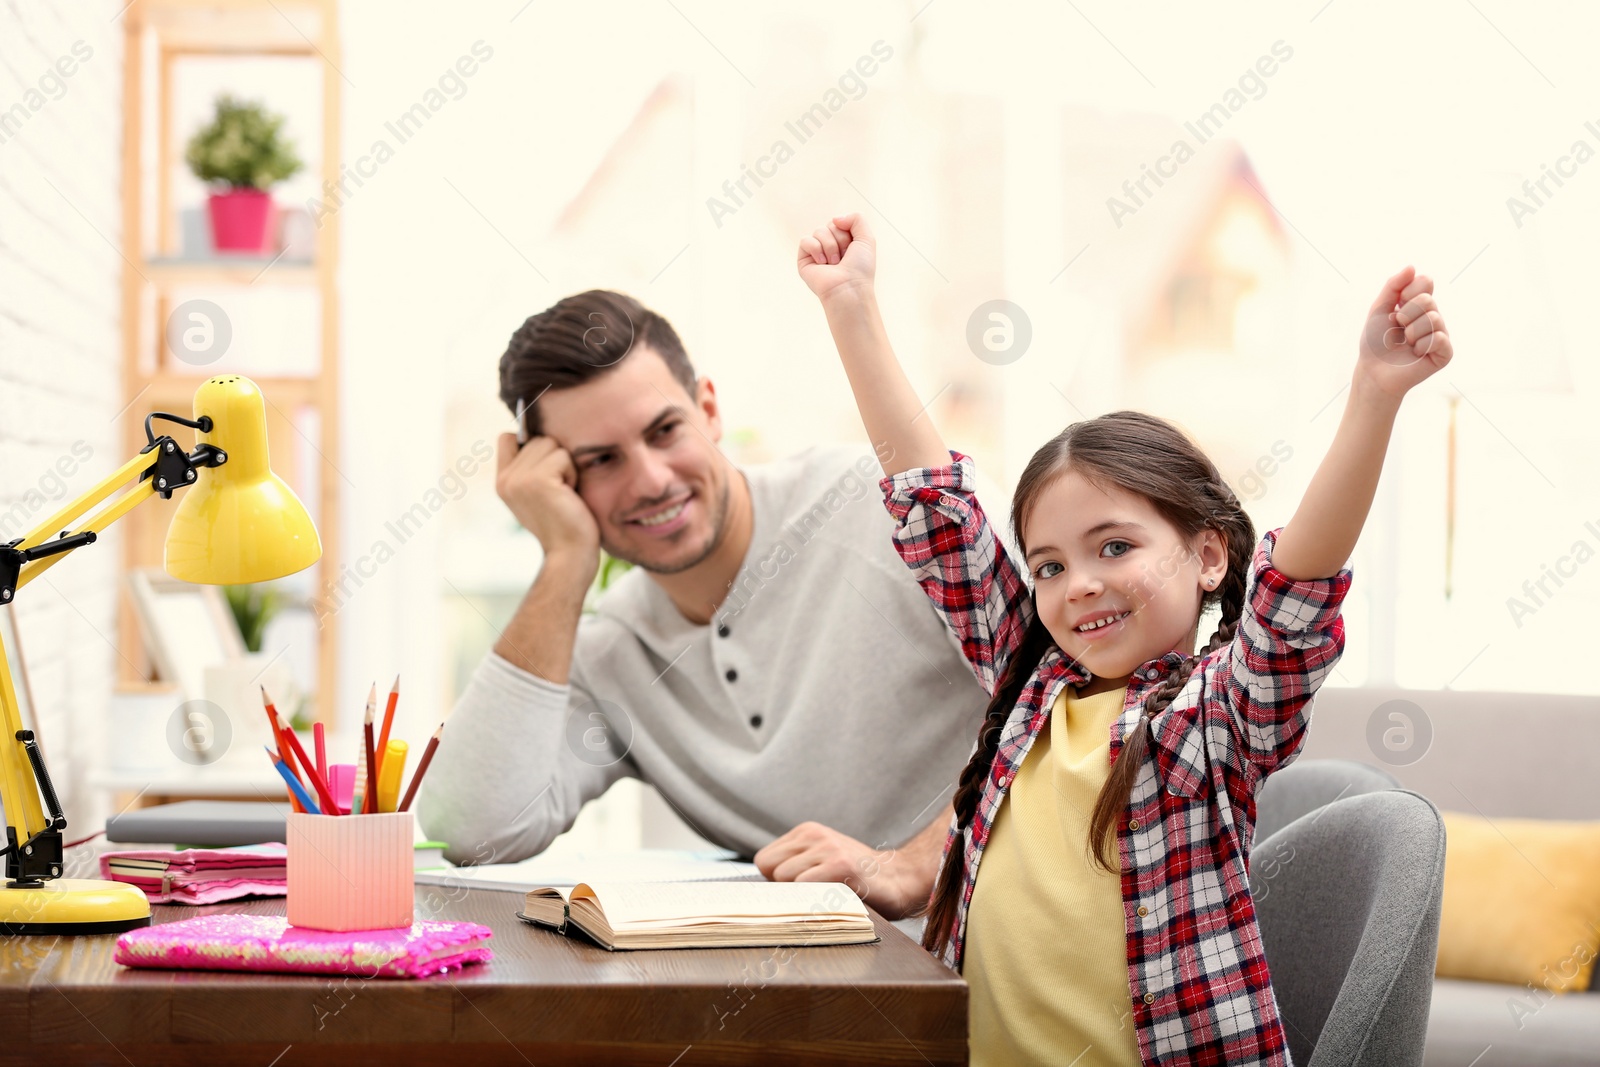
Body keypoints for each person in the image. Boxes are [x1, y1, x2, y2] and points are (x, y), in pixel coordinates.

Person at [798, 211, 1452, 1064]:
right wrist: (851, 307)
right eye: (1050, 566)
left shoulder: (1204, 719)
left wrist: (1373, 393)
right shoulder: (1029, 686)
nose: (1081, 586)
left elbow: (1296, 592)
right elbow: (939, 514)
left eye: (1115, 546)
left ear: (1209, 553)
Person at [417, 289, 989, 919]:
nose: (651, 480)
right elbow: (471, 828)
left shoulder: (887, 510)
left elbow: (1078, 694)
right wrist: (564, 561)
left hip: (1010, 968)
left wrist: (917, 863)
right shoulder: (615, 653)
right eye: (601, 460)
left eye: (664, 432)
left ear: (708, 409)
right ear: (559, 483)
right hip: (836, 1000)